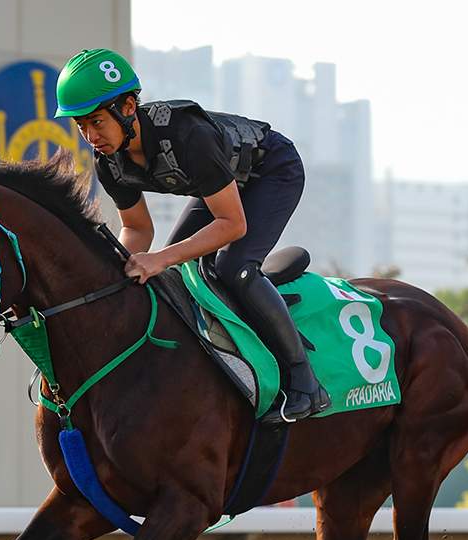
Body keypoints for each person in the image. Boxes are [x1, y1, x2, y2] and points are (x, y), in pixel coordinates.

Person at [54, 48, 330, 422]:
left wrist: (159, 258)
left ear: (129, 108)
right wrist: (116, 269)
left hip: (272, 171)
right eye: (81, 126)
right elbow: (137, 229)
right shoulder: (109, 162)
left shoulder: (188, 137)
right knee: (170, 276)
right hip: (221, 184)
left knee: (234, 266)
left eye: (97, 122)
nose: (90, 136)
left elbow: (233, 225)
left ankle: (305, 382)